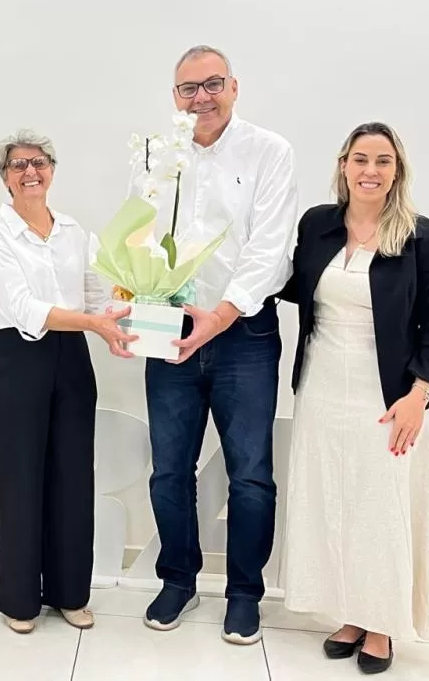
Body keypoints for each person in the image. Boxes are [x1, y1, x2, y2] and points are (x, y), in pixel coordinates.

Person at [278, 122, 429, 675]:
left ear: (397, 169)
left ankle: (381, 625)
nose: (370, 171)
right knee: (333, 504)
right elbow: (287, 283)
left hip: (388, 398)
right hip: (322, 388)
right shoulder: (318, 224)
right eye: (360, 160)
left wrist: (418, 394)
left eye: (382, 160)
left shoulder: (424, 236)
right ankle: (350, 613)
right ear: (344, 165)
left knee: (378, 511)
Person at [140, 45, 297, 644]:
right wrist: (136, 308)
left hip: (245, 335)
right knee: (169, 471)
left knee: (250, 473)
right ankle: (177, 579)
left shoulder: (269, 151)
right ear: (174, 97)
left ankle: (243, 594)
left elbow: (270, 246)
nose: (200, 98)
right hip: (170, 327)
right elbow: (140, 232)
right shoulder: (158, 154)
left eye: (212, 85)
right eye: (187, 89)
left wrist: (223, 315)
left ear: (235, 86)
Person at [0, 129, 134, 634]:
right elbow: (23, 309)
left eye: (39, 163)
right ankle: (19, 600)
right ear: (5, 177)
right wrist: (94, 323)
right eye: (19, 165)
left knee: (71, 476)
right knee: (18, 482)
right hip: (11, 361)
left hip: (69, 359)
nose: (30, 172)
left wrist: (126, 317)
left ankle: (70, 592)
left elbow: (92, 295)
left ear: (52, 171)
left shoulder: (72, 231)